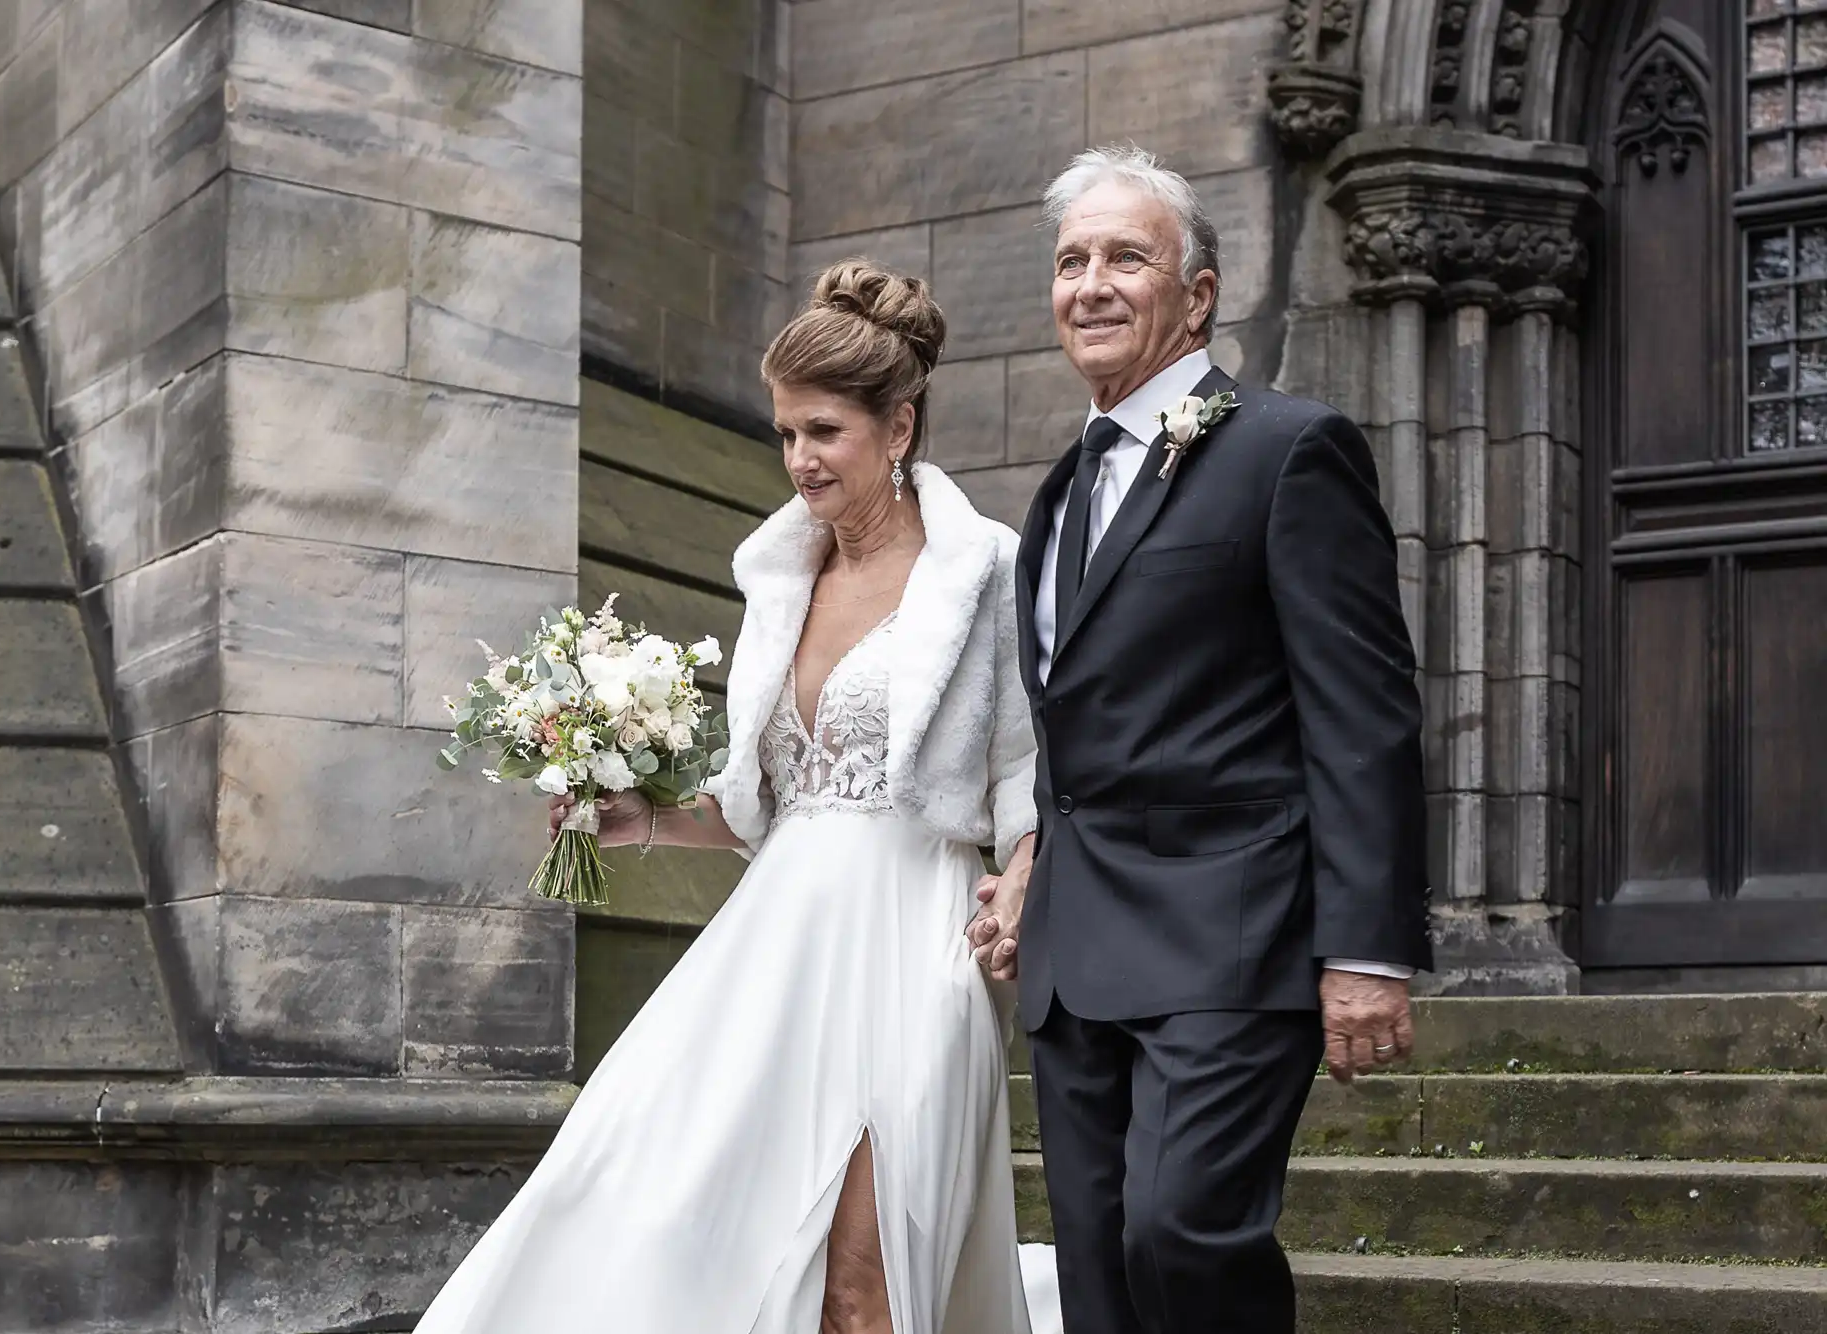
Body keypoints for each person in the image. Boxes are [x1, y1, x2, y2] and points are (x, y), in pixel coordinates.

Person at [412, 260, 1049, 1334]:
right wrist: (642, 816)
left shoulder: (985, 568)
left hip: (911, 940)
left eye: (823, 432)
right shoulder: (780, 576)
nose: (798, 460)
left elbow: (1030, 769)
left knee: (868, 1279)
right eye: (785, 433)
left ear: (897, 429)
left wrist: (1025, 871)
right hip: (772, 950)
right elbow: (763, 800)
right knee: (645, 1205)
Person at [969, 145, 1432, 1334]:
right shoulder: (1060, 492)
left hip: (1231, 935)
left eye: (1125, 255)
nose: (1090, 283)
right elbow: (1072, 726)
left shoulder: (1288, 449)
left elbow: (1360, 710)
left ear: (1199, 292)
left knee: (1180, 1231)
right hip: (1078, 956)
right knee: (1097, 1276)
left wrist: (1367, 946)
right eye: (1070, 260)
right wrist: (1026, 869)